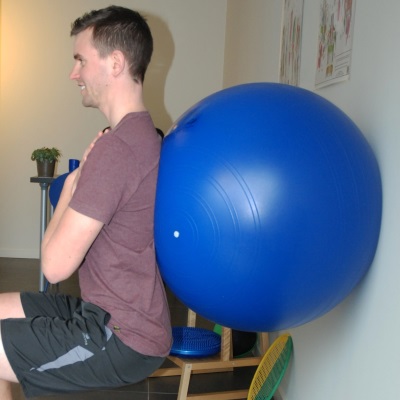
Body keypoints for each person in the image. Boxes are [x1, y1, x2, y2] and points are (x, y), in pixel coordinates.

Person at [0, 5, 172, 399]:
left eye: (80, 60)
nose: (73, 73)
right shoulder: (142, 135)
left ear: (115, 63)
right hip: (107, 311)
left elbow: (54, 267)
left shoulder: (117, 149)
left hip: (122, 334)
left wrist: (72, 186)